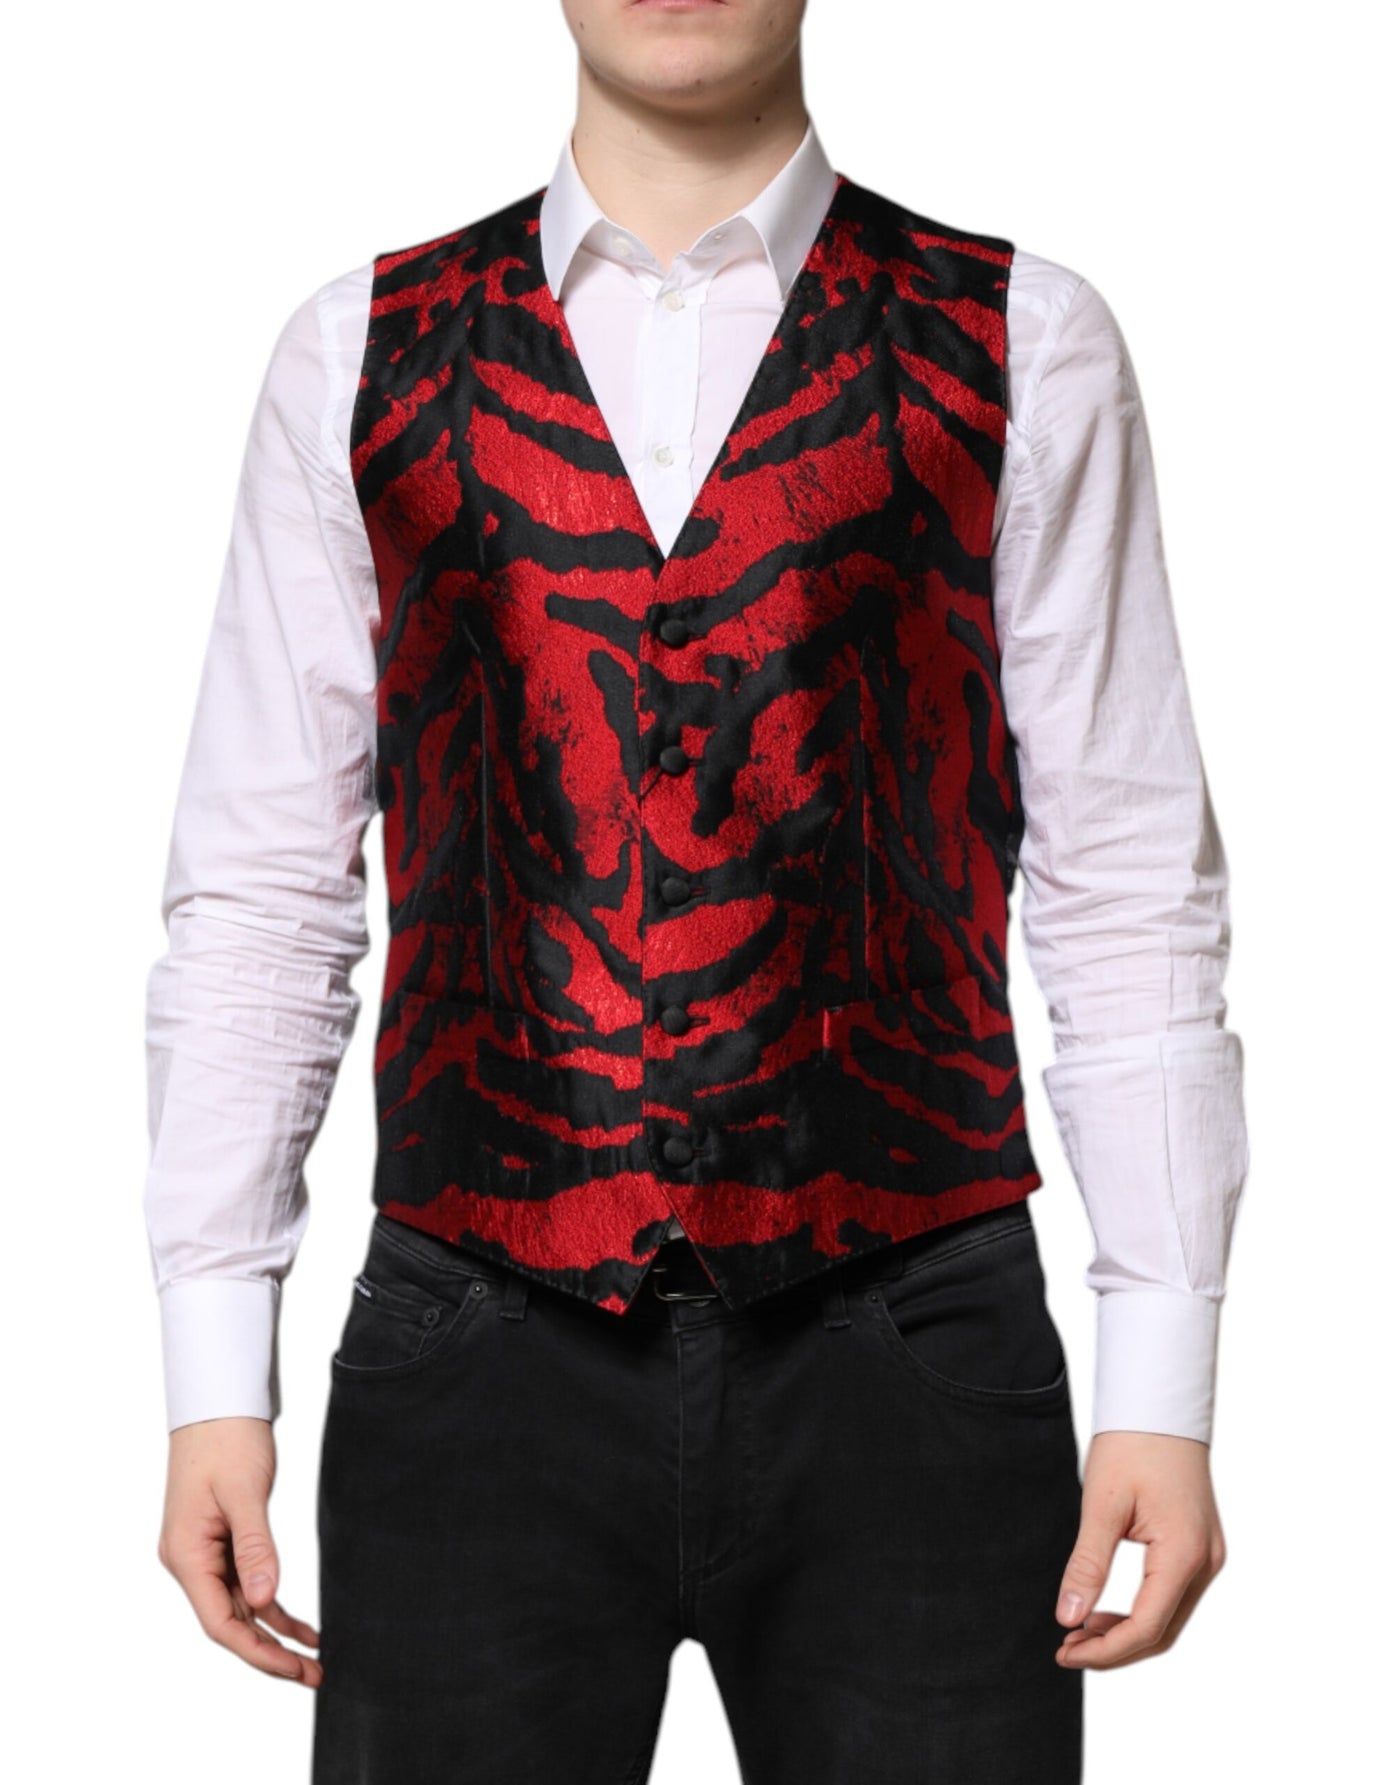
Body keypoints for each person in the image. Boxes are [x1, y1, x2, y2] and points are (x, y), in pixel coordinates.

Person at [145, 2, 1249, 1779]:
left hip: (914, 1336)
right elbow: (264, 884)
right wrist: (214, 1355)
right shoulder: (357, 352)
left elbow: (1129, 879)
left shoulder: (1024, 340)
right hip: (473, 1339)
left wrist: (1163, 1376)